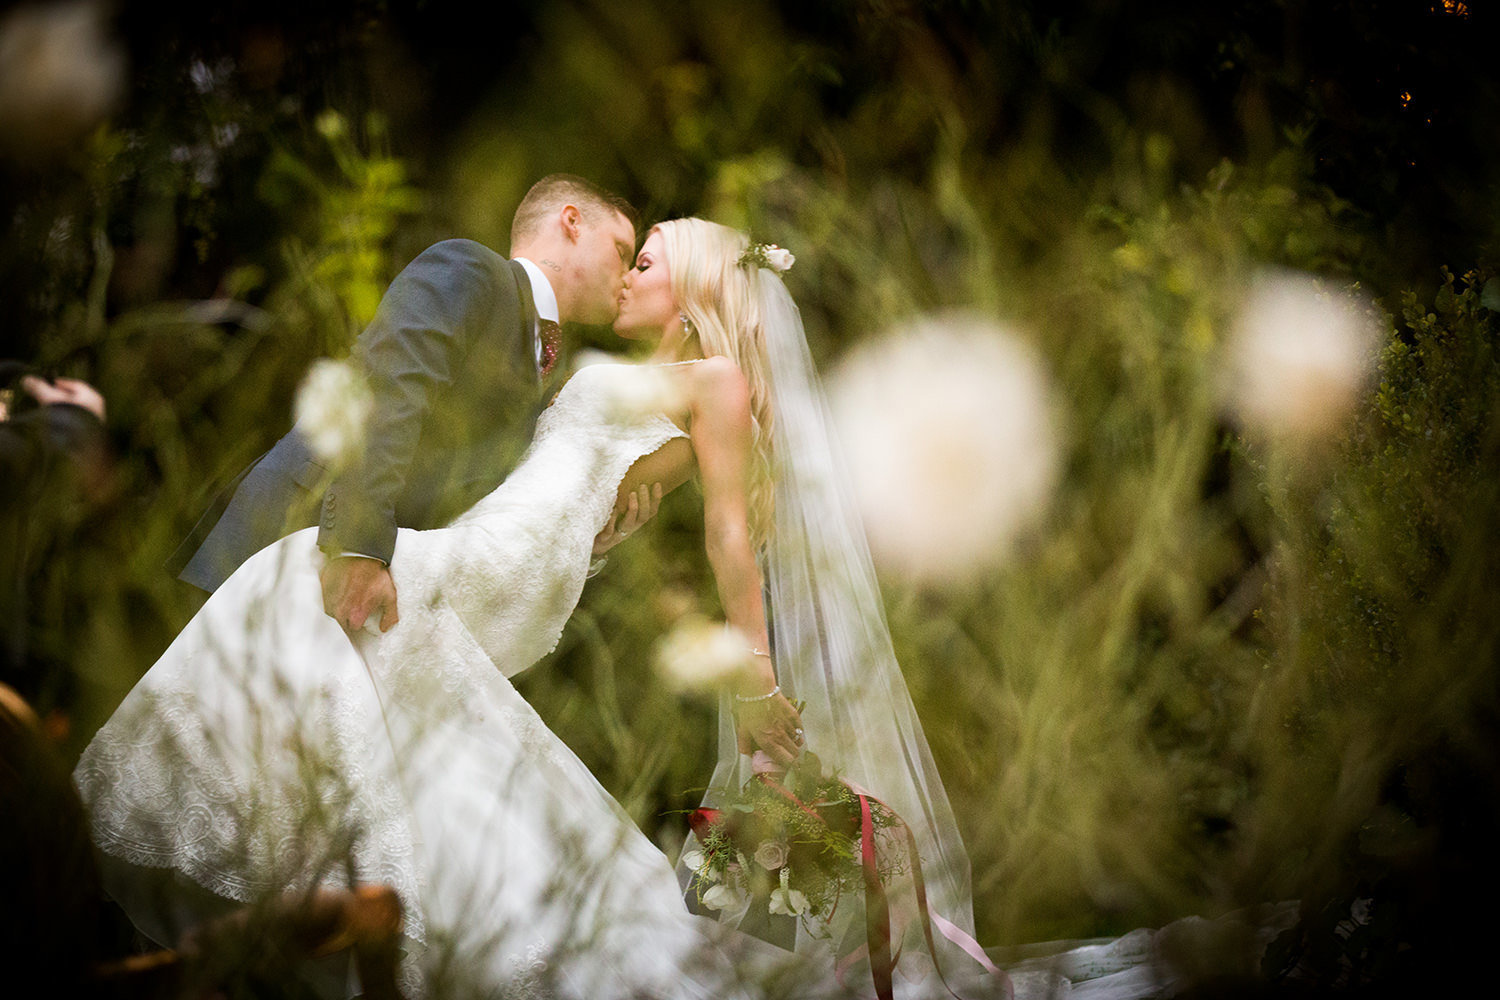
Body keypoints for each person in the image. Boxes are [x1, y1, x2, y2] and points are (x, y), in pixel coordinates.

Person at [73, 218, 1162, 998]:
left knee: (289, 611)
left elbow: (732, 534)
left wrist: (756, 689)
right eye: (630, 252)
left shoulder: (717, 389)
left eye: (652, 261)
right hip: (496, 560)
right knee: (329, 659)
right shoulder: (625, 377)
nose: (633, 272)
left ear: (694, 293)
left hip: (491, 565)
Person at [169, 173, 643, 639]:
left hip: (369, 588)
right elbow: (388, 389)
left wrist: (583, 537)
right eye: (622, 251)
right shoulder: (472, 269)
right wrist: (357, 545)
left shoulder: (549, 368)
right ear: (572, 222)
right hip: (300, 536)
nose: (626, 275)